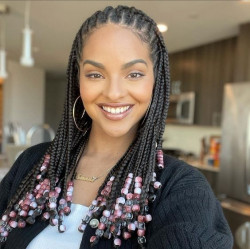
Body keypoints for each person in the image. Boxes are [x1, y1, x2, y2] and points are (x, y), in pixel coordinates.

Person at [0, 5, 233, 249]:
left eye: (134, 74)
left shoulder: (181, 187)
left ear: (156, 80)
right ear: (77, 79)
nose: (113, 93)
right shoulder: (32, 163)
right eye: (95, 74)